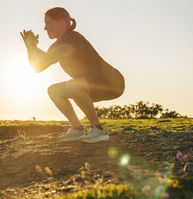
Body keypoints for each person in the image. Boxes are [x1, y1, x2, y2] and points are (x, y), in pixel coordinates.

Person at [20, 7, 125, 143]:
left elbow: (45, 61)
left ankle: (98, 129)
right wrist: (30, 47)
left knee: (73, 85)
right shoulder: (55, 46)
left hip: (112, 83)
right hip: (90, 85)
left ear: (63, 22)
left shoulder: (73, 40)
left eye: (49, 23)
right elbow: (36, 67)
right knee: (54, 91)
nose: (45, 28)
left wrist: (33, 47)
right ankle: (77, 129)